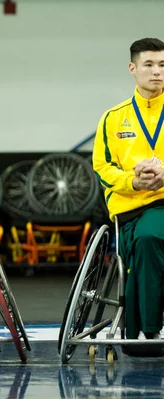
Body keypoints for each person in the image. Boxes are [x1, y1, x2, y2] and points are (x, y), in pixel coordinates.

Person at [93, 38, 164, 340]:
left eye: (162, 65)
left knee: (149, 236)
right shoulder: (113, 118)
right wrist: (133, 181)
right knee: (141, 240)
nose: (157, 72)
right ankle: (141, 329)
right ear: (133, 68)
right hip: (129, 208)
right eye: (149, 65)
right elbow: (102, 167)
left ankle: (147, 330)